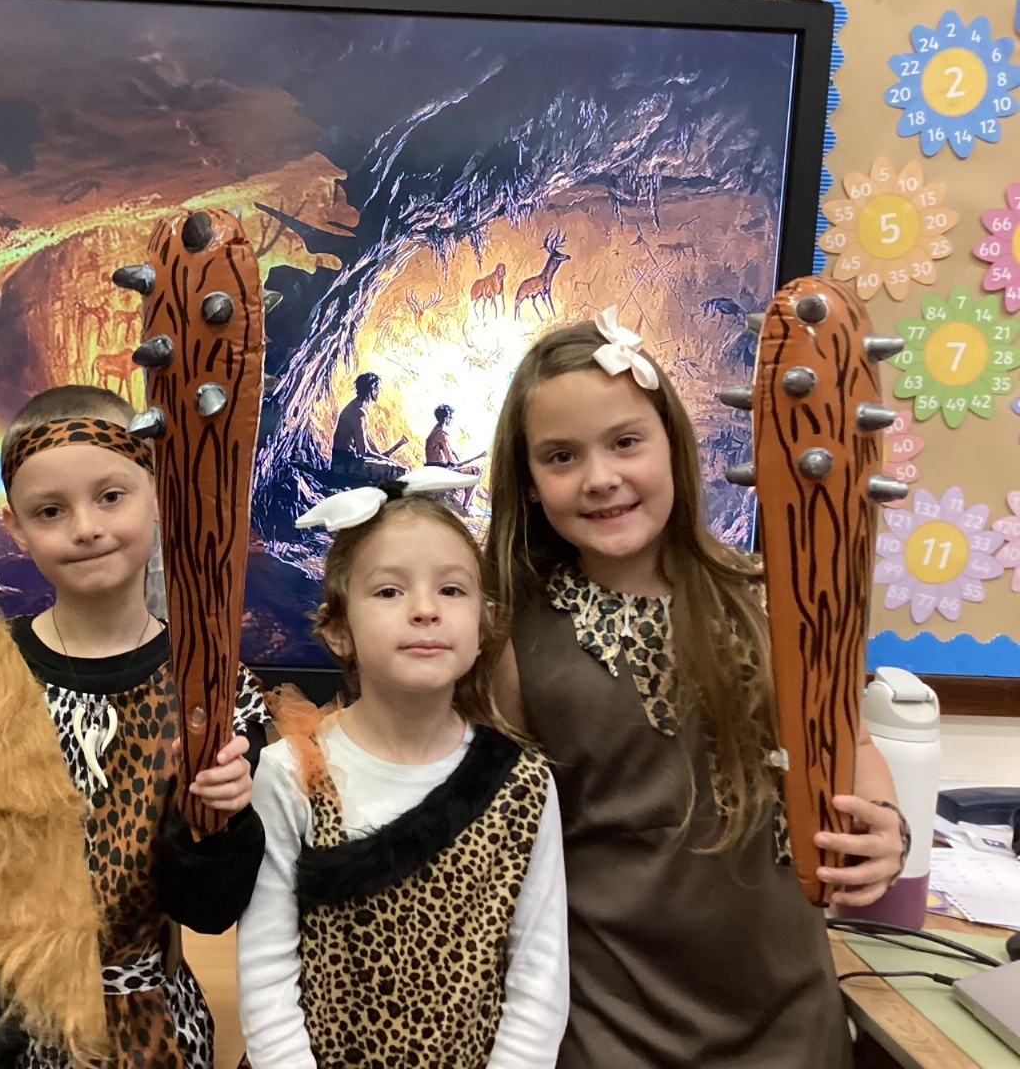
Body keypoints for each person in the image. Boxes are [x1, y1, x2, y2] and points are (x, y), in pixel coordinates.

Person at [482, 309, 908, 1068]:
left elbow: (856, 745)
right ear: (530, 483)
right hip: (608, 1031)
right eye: (561, 456)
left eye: (625, 442)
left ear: (674, 445)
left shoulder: (776, 600)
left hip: (789, 1024)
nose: (601, 477)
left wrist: (883, 828)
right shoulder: (512, 641)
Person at [0, 384, 270, 1069]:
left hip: (157, 1034)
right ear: (15, 526)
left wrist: (218, 822)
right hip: (3, 1035)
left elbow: (209, 909)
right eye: (50, 511)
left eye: (111, 496)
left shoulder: (213, 690)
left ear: (160, 495)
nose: (86, 527)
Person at [237, 471, 567, 1068]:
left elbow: (539, 975)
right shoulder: (291, 774)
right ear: (339, 629)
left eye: (452, 590)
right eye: (389, 591)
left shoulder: (523, 784)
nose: (424, 610)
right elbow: (267, 968)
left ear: (485, 622)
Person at [330, 372, 408, 481]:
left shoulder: (356, 407)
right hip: (344, 466)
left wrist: (383, 458)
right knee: (402, 472)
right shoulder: (358, 413)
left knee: (396, 468)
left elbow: (368, 444)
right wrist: (389, 461)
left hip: (345, 463)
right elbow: (364, 452)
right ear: (373, 390)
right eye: (378, 389)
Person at [425, 402, 484, 508]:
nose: (452, 420)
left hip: (436, 469)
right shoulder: (442, 434)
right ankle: (465, 507)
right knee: (476, 470)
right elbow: (452, 461)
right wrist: (476, 457)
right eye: (451, 417)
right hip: (439, 472)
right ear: (447, 418)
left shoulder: (436, 430)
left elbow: (451, 455)